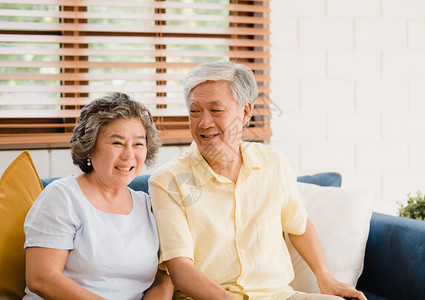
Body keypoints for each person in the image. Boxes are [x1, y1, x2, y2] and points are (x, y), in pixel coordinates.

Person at [149, 61, 367, 300]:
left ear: (244, 112)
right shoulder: (168, 182)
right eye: (194, 111)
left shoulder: (273, 163)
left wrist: (325, 277)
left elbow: (299, 227)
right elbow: (180, 270)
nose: (204, 123)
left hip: (279, 295)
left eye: (216, 110)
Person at [23, 93, 173, 299]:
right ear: (90, 146)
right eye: (117, 143)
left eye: (138, 144)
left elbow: (162, 278)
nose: (129, 155)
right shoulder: (62, 196)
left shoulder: (148, 204)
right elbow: (41, 278)